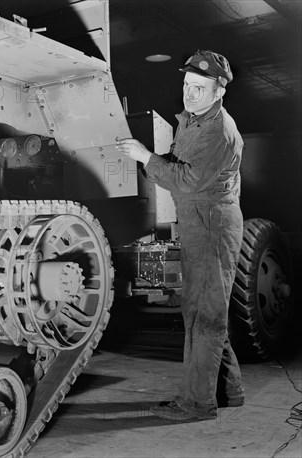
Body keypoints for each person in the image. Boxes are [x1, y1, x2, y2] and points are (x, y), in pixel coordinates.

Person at [116, 50, 245, 421]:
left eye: (199, 88)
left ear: (219, 91)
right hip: (199, 220)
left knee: (204, 314)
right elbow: (177, 164)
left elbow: (189, 180)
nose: (189, 93)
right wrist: (147, 162)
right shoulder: (193, 120)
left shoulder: (220, 130)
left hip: (211, 224)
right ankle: (228, 391)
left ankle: (197, 403)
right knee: (209, 308)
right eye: (187, 85)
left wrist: (146, 158)